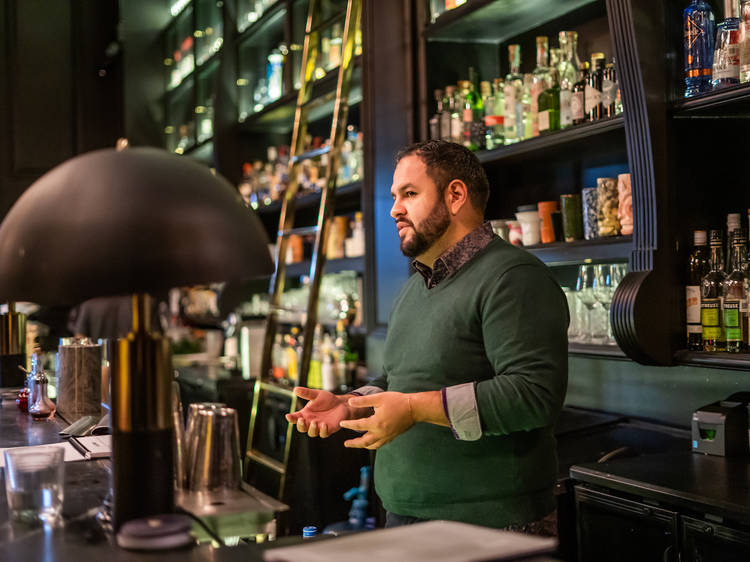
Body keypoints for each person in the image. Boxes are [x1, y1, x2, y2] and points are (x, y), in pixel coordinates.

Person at [286, 140, 568, 532]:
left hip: (489, 524)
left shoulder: (513, 277)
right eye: (394, 196)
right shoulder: (417, 285)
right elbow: (403, 382)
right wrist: (351, 405)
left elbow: (533, 396)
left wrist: (415, 407)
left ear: (455, 195)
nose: (394, 209)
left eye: (410, 194)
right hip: (404, 514)